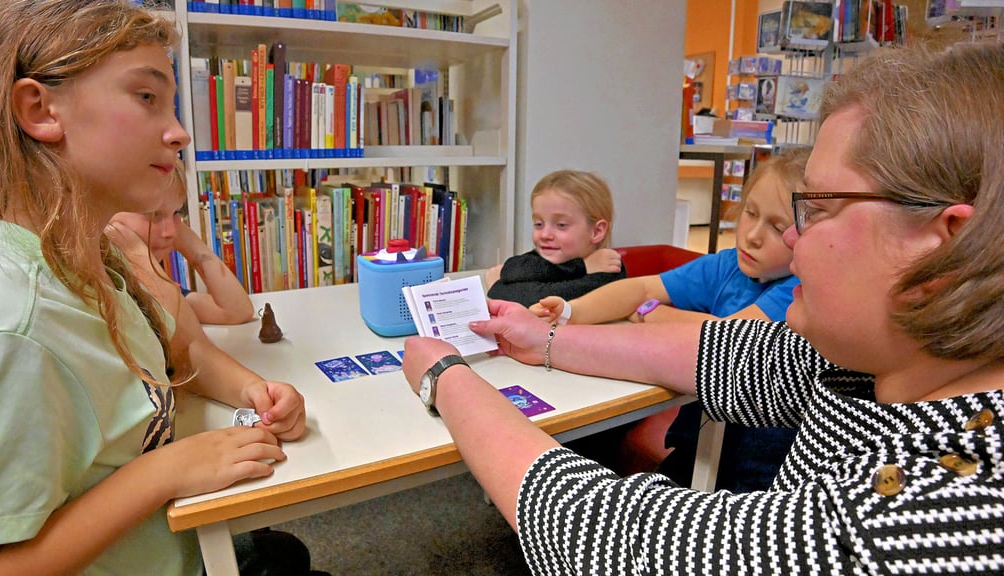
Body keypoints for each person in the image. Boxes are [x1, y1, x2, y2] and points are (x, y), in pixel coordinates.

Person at [401, 43, 1004, 573]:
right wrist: (547, 340)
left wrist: (444, 376)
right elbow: (730, 354)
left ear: (940, 247)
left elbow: (604, 535)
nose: (793, 238)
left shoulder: (941, 516)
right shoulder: (886, 362)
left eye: (816, 209)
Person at [0, 2, 310, 574]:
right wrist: (165, 471)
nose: (180, 131)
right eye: (146, 97)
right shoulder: (13, 324)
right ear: (39, 108)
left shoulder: (94, 255)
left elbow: (175, 356)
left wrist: (254, 390)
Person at [532, 148, 809, 488]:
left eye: (777, 227)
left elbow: (731, 339)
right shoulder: (727, 265)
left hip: (760, 466)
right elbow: (640, 288)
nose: (752, 234)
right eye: (750, 214)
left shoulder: (800, 289)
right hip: (702, 440)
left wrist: (652, 313)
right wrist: (570, 311)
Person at [111, 158, 255, 325]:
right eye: (154, 214)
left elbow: (237, 311)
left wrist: (187, 239)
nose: (170, 231)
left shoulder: (159, 289)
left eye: (176, 212)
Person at [485, 169, 626, 307]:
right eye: (539, 224)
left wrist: (497, 287)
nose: (545, 235)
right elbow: (511, 270)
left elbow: (541, 300)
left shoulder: (608, 269)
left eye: (561, 225)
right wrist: (581, 267)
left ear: (596, 231)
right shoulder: (549, 257)